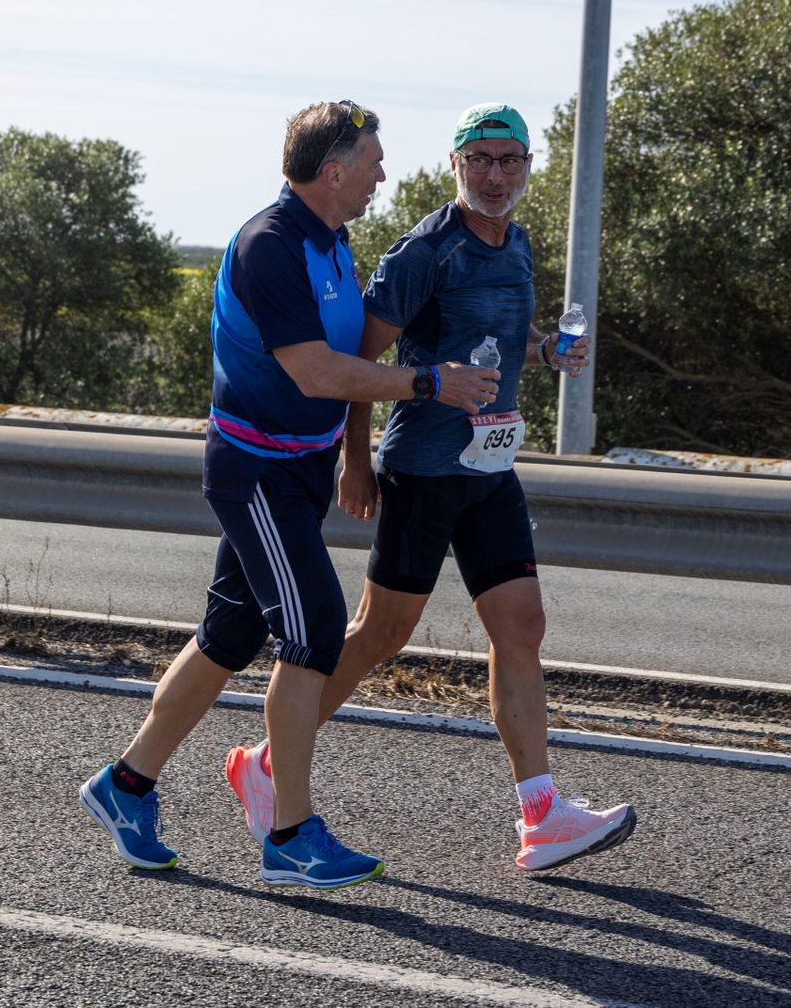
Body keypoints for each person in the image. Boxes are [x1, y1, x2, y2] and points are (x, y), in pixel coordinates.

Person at [79, 100, 498, 889]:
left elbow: (346, 361)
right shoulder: (269, 245)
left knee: (228, 637)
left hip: (298, 472)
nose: (383, 174)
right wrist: (427, 383)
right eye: (372, 161)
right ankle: (291, 834)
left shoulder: (331, 242)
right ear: (332, 171)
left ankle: (124, 786)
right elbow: (316, 372)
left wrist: (352, 455)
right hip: (258, 474)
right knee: (314, 631)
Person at [225, 103, 635, 873]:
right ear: (455, 165)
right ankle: (268, 764)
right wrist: (355, 458)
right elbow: (359, 358)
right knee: (381, 634)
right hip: (422, 469)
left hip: (491, 469)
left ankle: (542, 815)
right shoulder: (425, 250)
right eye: (479, 159)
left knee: (522, 627)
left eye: (508, 160)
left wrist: (547, 352)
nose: (494, 175)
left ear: (527, 167)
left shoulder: (517, 244)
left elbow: (498, 341)